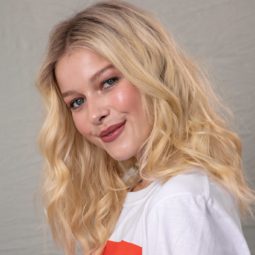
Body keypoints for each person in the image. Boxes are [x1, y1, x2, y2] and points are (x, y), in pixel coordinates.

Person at [37, 1, 254, 254]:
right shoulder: (139, 195)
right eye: (77, 102)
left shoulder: (179, 199)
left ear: (151, 72)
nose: (95, 113)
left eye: (108, 82)